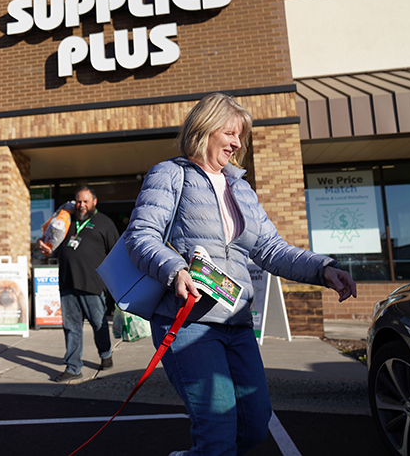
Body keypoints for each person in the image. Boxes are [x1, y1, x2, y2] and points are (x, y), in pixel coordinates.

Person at [124, 93, 356, 456]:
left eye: (241, 137)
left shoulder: (241, 188)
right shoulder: (171, 174)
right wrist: (175, 270)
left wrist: (323, 268)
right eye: (230, 133)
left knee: (252, 427)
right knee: (217, 435)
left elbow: (270, 249)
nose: (236, 143)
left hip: (237, 319)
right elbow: (141, 236)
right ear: (204, 128)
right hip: (189, 322)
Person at [38, 186, 120, 382]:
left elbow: (116, 253)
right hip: (67, 283)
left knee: (98, 324)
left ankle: (105, 354)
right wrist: (43, 246)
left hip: (92, 284)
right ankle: (73, 367)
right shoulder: (66, 221)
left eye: (85, 201)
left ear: (94, 202)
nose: (81, 205)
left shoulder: (104, 223)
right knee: (71, 327)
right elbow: (53, 245)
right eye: (78, 201)